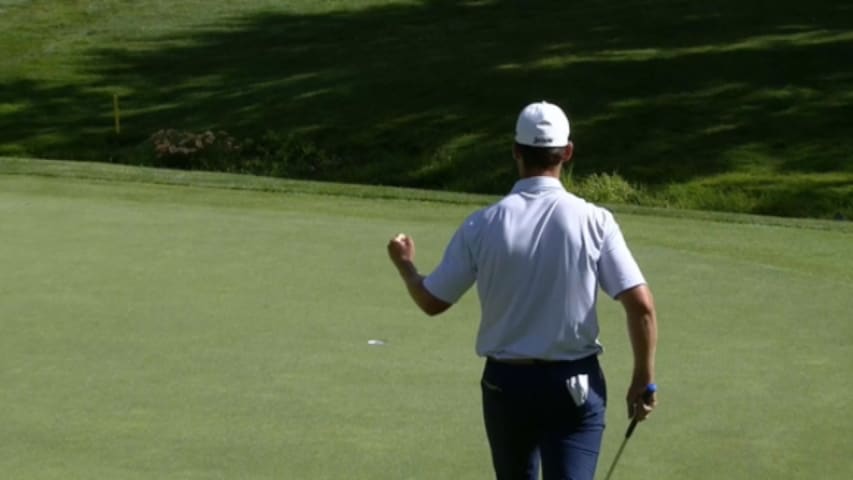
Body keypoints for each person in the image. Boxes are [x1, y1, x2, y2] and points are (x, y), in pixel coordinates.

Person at [386, 101, 658, 480]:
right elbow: (641, 306)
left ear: (515, 150)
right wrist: (643, 380)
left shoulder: (482, 224)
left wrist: (406, 267)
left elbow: (432, 301)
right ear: (567, 152)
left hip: (506, 385)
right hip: (574, 385)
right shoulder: (596, 221)